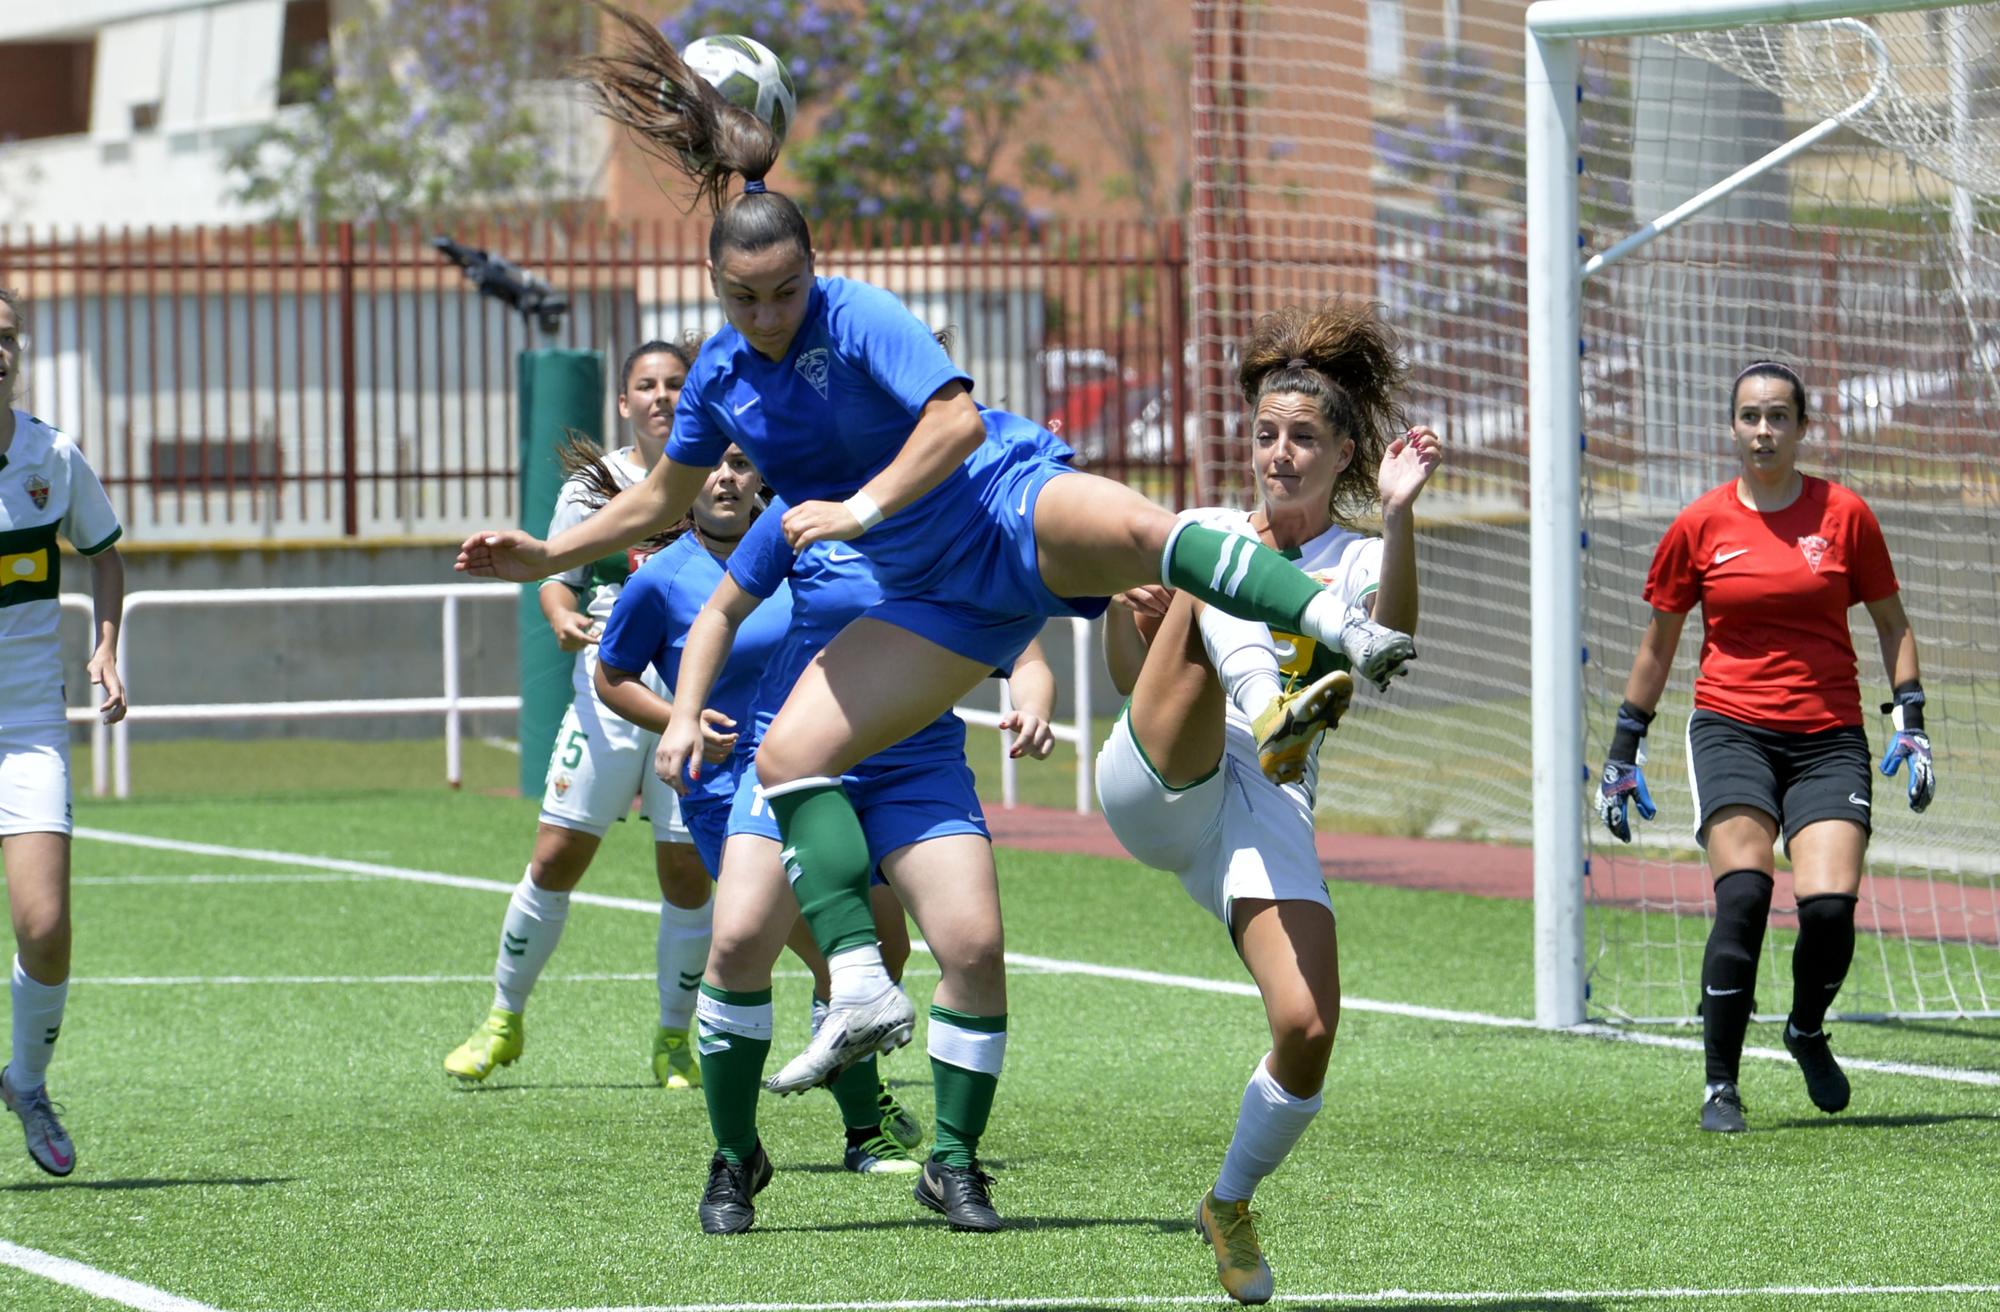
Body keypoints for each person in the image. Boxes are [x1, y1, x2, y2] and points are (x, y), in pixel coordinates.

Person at [459, 7, 1416, 1098]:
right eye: (743, 298)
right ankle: (860, 984)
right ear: (715, 294)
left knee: (1154, 533)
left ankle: (1341, 623)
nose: (768, 314)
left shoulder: (861, 314)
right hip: (933, 599)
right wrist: (545, 552)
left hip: (1001, 507)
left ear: (813, 272)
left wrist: (860, 507)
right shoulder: (720, 374)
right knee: (787, 757)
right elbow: (658, 503)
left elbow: (955, 422)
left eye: (784, 292)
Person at [1093, 302, 1440, 1303]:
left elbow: (1396, 637)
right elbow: (1127, 678)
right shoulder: (1204, 529)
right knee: (1212, 557)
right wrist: (1138, 616)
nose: (1277, 454)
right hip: (1158, 774)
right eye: (1264, 435)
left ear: (1342, 455)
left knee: (1307, 1024)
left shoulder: (1359, 558)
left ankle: (1229, 1202)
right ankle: (1266, 701)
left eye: (1301, 438)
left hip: (1261, 800)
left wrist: (1404, 511)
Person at [659, 495, 1057, 1234]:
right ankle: (736, 1153)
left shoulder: (961, 512)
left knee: (974, 947)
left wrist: (1032, 703)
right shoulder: (800, 502)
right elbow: (717, 613)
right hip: (797, 758)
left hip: (917, 766)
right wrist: (683, 712)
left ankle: (953, 1160)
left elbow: (1026, 651)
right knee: (739, 940)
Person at [1595, 360, 1934, 1135]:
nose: (1764, 431)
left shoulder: (1845, 514)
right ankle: (1721, 1082)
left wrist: (1909, 718)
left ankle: (1806, 1027)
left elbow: (1892, 623)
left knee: (1827, 907)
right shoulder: (1700, 524)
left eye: (1779, 416)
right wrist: (1623, 749)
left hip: (1828, 738)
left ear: (1803, 427)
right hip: (1731, 728)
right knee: (1744, 894)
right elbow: (1658, 645)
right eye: (1750, 416)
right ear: (1732, 427)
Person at [444, 339, 725, 1090]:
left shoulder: (727, 472)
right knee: (554, 858)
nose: (662, 396)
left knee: (687, 873)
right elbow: (556, 578)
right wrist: (564, 616)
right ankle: (503, 1017)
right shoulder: (596, 484)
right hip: (607, 701)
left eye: (675, 383)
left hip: (693, 705)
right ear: (625, 403)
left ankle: (674, 1039)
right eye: (647, 385)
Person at [0, 287, 128, 1177]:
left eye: (4, 335)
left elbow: (104, 553)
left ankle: (29, 1080)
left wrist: (107, 647)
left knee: (44, 922)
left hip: (27, 715)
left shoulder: (49, 453)